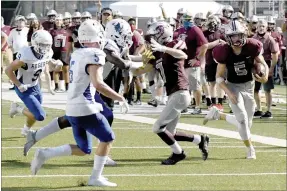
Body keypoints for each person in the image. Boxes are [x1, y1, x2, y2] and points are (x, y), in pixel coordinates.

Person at [30, 20, 129, 187]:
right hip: (85, 107)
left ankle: (45, 154)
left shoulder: (78, 53)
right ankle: (95, 177)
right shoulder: (95, 54)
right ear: (99, 34)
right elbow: (98, 83)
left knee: (84, 149)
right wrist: (120, 97)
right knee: (108, 138)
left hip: (72, 107)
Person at [133, 21, 209, 165]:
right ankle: (199, 140)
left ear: (162, 34)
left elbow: (183, 55)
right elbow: (143, 65)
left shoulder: (173, 43)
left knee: (157, 128)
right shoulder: (156, 51)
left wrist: (163, 48)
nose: (151, 39)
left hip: (180, 92)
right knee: (170, 133)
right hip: (174, 94)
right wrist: (124, 59)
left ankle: (178, 153)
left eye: (154, 36)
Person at [204, 20, 269, 159]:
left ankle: (218, 115)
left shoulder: (252, 46)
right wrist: (228, 92)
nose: (236, 39)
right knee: (243, 120)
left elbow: (263, 63)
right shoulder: (224, 51)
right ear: (228, 37)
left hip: (249, 85)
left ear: (244, 34)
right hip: (232, 86)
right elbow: (219, 77)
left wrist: (265, 76)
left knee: (247, 123)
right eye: (233, 36)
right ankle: (250, 148)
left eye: (239, 35)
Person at [5, 29, 62, 136]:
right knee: (40, 115)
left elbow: (51, 66)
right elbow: (8, 70)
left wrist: (57, 64)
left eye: (47, 45)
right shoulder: (26, 54)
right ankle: (17, 108)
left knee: (34, 111)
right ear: (35, 43)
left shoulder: (49, 53)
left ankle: (26, 130)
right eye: (42, 45)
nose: (45, 48)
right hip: (24, 87)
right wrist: (18, 84)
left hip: (35, 86)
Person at [175, 11, 208, 114]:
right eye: (185, 20)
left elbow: (205, 45)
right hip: (182, 61)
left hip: (192, 62)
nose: (186, 22)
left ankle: (198, 107)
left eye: (188, 20)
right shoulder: (180, 30)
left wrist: (197, 58)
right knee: (183, 86)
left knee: (195, 86)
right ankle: (185, 105)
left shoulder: (195, 29)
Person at [253, 19, 279, 118]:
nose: (261, 28)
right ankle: (259, 109)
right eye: (259, 26)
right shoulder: (253, 38)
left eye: (263, 26)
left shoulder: (270, 39)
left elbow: (275, 55)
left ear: (266, 27)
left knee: (267, 89)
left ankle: (268, 111)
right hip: (256, 65)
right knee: (255, 90)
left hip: (266, 65)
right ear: (257, 27)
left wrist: (271, 67)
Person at [204, 15, 226, 111]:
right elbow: (206, 46)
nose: (212, 25)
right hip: (209, 60)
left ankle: (220, 103)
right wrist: (217, 42)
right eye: (211, 22)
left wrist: (222, 43)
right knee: (212, 83)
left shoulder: (221, 32)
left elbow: (227, 44)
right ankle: (213, 102)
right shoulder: (204, 33)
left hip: (220, 60)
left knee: (220, 82)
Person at [50, 14, 71, 92]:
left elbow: (70, 42)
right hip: (55, 52)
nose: (58, 22)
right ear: (55, 22)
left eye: (60, 20)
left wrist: (69, 52)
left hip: (64, 52)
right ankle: (56, 86)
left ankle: (67, 86)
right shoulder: (52, 31)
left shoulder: (67, 31)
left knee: (66, 70)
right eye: (57, 20)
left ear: (62, 21)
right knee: (56, 69)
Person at [7, 15, 29, 90]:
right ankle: (17, 84)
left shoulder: (27, 30)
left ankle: (26, 84)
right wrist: (11, 46)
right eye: (18, 22)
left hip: (25, 52)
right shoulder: (13, 31)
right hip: (16, 52)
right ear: (16, 23)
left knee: (25, 68)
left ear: (24, 22)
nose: (20, 23)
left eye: (21, 21)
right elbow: (9, 40)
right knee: (16, 68)